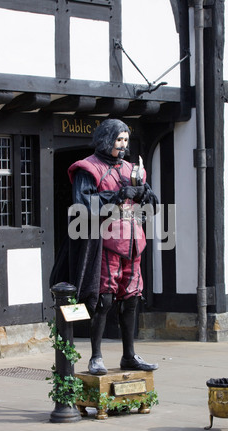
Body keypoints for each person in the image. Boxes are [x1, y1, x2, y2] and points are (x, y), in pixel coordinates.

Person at [67, 119, 159, 375]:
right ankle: (96, 356)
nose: (123, 144)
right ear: (107, 139)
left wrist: (143, 194)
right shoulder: (89, 168)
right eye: (119, 139)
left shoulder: (133, 168)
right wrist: (118, 195)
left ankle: (129, 355)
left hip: (133, 243)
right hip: (105, 243)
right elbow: (82, 204)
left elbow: (151, 203)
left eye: (126, 140)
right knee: (103, 300)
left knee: (131, 299)